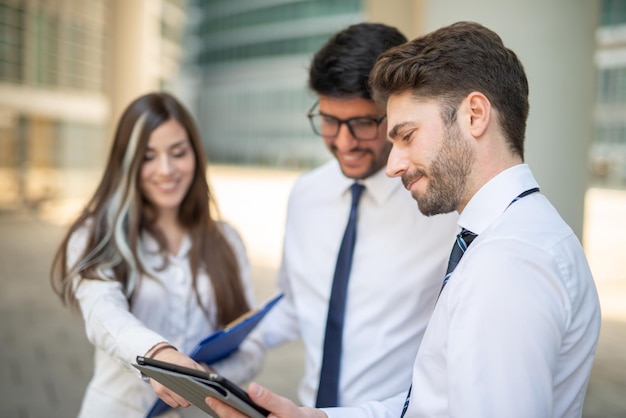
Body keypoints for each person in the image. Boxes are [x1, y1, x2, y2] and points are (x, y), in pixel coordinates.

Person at [205, 21, 602, 418]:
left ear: (475, 115)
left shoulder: (509, 262)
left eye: (407, 135)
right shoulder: (500, 239)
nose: (393, 165)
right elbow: (434, 404)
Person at [259, 22, 459, 408]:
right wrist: (218, 349)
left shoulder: (444, 211)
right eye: (331, 121)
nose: (344, 142)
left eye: (364, 123)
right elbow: (293, 305)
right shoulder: (306, 195)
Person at [50, 92, 264, 417]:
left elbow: (252, 347)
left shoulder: (226, 240)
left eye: (177, 153)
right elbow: (103, 313)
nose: (165, 169)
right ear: (127, 162)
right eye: (148, 156)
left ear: (195, 153)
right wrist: (159, 356)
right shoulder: (95, 235)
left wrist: (204, 379)